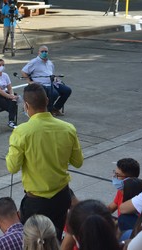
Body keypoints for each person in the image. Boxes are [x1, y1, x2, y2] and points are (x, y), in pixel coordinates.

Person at [6, 83, 84, 240]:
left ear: (26, 105)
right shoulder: (68, 128)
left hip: (36, 202)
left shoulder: (21, 131)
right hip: (62, 196)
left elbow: (13, 167)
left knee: (34, 243)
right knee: (55, 238)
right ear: (47, 100)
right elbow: (78, 162)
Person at [21, 45, 72, 116]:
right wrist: (29, 81)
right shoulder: (34, 62)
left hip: (52, 82)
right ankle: (47, 110)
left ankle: (56, 108)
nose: (44, 53)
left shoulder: (50, 63)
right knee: (54, 94)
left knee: (67, 90)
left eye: (46, 51)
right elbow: (24, 71)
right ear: (38, 53)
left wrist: (55, 78)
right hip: (42, 84)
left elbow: (50, 73)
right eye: (42, 51)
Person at [0, 58, 18, 129]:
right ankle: (11, 121)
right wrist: (10, 96)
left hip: (5, 94)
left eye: (3, 65)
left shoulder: (5, 75)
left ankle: (11, 121)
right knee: (11, 104)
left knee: (13, 101)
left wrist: (12, 95)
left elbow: (10, 88)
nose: (1, 66)